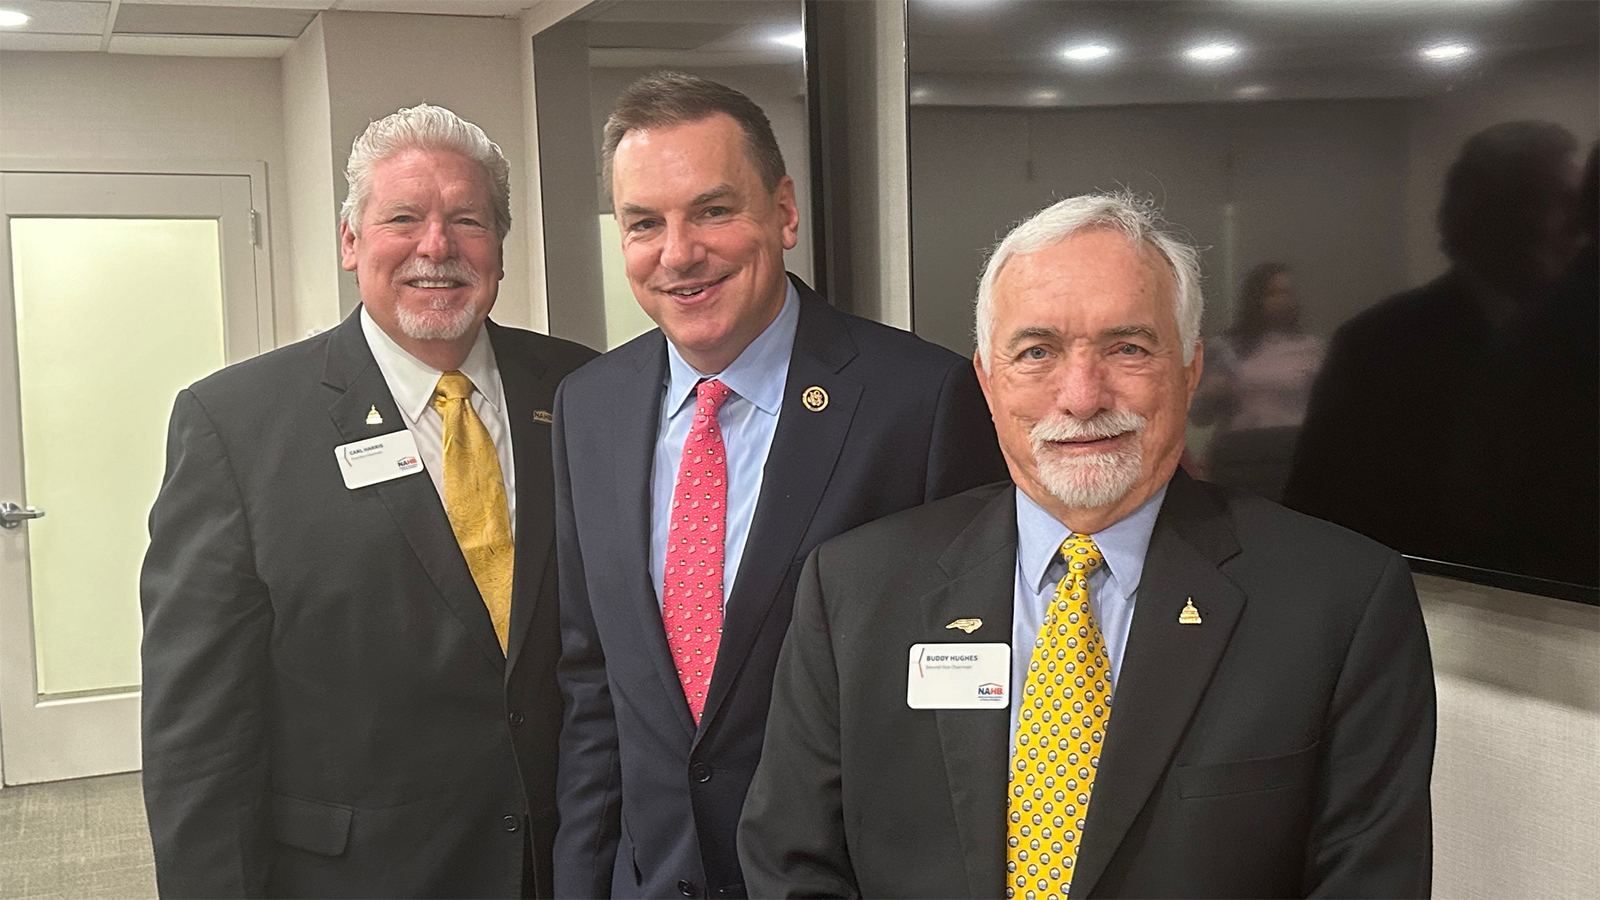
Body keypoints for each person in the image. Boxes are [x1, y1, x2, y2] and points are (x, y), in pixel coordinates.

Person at [739, 192, 1435, 898]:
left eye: (1127, 348)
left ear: (1190, 370)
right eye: (1037, 351)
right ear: (987, 380)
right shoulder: (854, 587)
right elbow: (793, 862)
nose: (1081, 396)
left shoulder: (1342, 602)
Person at [552, 72, 1007, 899]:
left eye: (714, 210)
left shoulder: (921, 402)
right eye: (643, 223)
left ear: (785, 212)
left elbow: (968, 697)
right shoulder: (588, 408)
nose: (678, 252)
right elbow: (594, 693)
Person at [140, 104, 596, 898]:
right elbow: (199, 737)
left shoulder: (586, 392)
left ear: (500, 248)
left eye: (467, 220)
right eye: (403, 219)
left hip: (568, 863)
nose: (436, 247)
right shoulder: (236, 425)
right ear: (351, 242)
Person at [1284, 121, 1588, 584]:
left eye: (1578, 204)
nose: (1575, 227)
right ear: (1487, 213)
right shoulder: (1381, 344)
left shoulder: (1579, 337)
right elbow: (1321, 508)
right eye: (1553, 201)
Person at [1191, 262, 1323, 501]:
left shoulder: (1311, 349)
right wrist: (1211, 393)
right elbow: (1199, 415)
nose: (1282, 301)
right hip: (1243, 455)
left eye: (1288, 293)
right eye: (1274, 293)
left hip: (1294, 453)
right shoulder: (1228, 348)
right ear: (1256, 298)